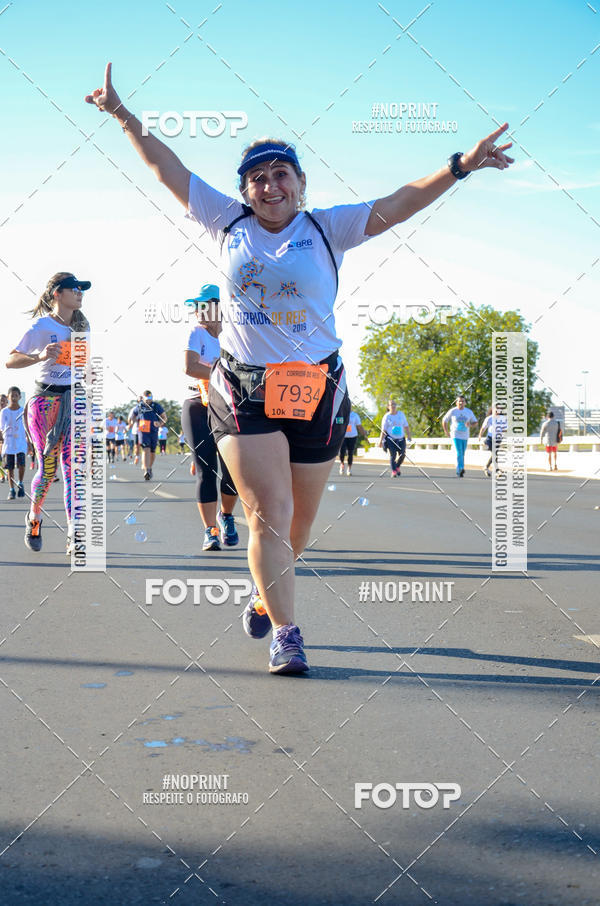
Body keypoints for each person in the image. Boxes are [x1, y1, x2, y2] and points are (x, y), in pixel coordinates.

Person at [85, 63, 513, 674]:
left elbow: (400, 202)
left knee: (298, 527)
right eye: (257, 178)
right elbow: (167, 169)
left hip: (318, 386)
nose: (269, 186)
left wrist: (460, 166)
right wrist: (123, 116)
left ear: (300, 183)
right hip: (243, 387)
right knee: (269, 514)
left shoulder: (328, 227)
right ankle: (287, 633)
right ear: (245, 190)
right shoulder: (226, 222)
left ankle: (266, 594)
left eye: (280, 174)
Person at [6, 272, 91, 552]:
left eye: (81, 290)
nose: (79, 293)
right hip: (44, 402)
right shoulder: (41, 326)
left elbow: (82, 364)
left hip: (73, 401)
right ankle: (34, 518)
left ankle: (75, 534)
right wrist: (40, 356)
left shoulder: (83, 325)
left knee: (73, 470)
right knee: (47, 469)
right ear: (57, 293)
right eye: (74, 289)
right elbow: (10, 360)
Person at [181, 285, 239, 551]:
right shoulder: (196, 333)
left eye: (203, 305)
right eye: (196, 306)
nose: (198, 311)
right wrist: (224, 375)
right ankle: (210, 531)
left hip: (228, 407)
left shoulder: (233, 336)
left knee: (232, 471)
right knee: (206, 470)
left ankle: (226, 515)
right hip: (197, 404)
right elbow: (190, 367)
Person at [128, 391, 165, 480]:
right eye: (147, 399)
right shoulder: (139, 406)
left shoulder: (156, 406)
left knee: (152, 451)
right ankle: (146, 470)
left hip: (154, 431)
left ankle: (149, 468)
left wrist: (160, 423)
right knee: (146, 449)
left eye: (150, 398)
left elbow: (164, 418)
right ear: (143, 398)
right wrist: (132, 422)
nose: (149, 400)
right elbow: (132, 417)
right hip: (143, 431)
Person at [0, 387, 27, 500]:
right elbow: (1, 428)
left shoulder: (23, 411)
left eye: (16, 395)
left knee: (22, 465)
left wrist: (30, 444)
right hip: (9, 443)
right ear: (8, 397)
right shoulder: (4, 412)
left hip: (21, 442)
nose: (14, 398)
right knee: (9, 468)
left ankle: (20, 483)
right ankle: (11, 490)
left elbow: (27, 427)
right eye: (12, 396)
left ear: (20, 397)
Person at [443, 396, 478, 478]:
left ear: (465, 403)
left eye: (463, 401)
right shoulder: (453, 411)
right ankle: (460, 468)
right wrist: (446, 431)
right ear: (456, 403)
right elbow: (444, 420)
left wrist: (470, 424)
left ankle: (460, 469)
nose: (461, 403)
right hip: (455, 434)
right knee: (459, 452)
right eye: (459, 401)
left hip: (465, 435)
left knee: (462, 453)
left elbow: (475, 422)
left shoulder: (469, 412)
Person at [379, 399, 412, 477]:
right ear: (388, 406)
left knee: (402, 454)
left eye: (394, 404)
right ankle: (394, 471)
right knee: (393, 455)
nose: (393, 406)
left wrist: (409, 435)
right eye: (391, 404)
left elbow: (406, 426)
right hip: (391, 438)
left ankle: (397, 466)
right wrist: (380, 441)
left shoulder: (401, 414)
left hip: (401, 438)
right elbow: (383, 430)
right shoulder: (387, 416)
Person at [478, 404, 507, 477]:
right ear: (492, 410)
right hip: (490, 438)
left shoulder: (503, 418)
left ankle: (487, 467)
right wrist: (480, 435)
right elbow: (483, 428)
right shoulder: (489, 418)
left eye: (499, 409)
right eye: (496, 409)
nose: (497, 411)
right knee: (494, 454)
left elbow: (505, 429)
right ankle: (496, 470)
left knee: (494, 454)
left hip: (498, 439)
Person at [338, 406, 368, 476]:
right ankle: (342, 463)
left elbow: (359, 426)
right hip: (343, 436)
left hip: (352, 436)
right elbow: (338, 425)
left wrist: (364, 433)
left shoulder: (355, 415)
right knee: (342, 452)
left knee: (350, 453)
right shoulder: (341, 414)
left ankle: (349, 468)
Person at [0, 392, 7, 483]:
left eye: (3, 401)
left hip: (7, 438)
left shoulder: (8, 412)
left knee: (6, 458)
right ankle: (2, 475)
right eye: (0, 401)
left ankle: (7, 473)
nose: (1, 403)